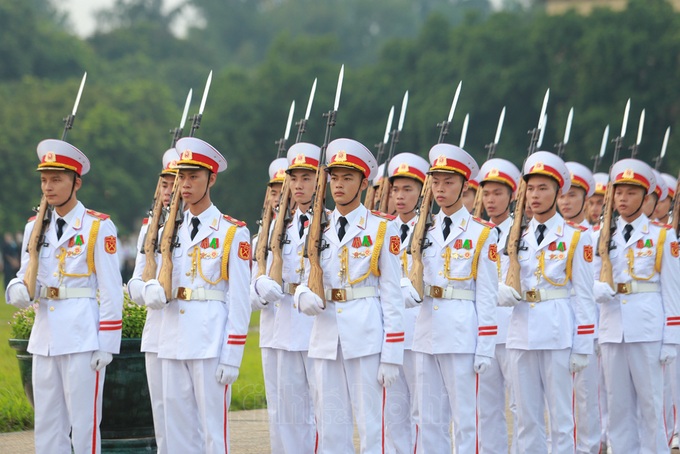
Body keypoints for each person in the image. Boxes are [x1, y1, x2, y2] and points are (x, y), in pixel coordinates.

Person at [6, 139, 123, 454]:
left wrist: (107, 344)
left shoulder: (98, 227)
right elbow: (25, 276)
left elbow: (111, 289)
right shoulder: (35, 227)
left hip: (83, 337)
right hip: (45, 337)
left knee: (84, 426)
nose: (48, 187)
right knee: (47, 424)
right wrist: (17, 291)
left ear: (77, 182)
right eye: (44, 180)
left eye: (57, 179)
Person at [294, 138, 404, 454]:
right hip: (326, 337)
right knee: (330, 427)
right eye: (335, 178)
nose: (339, 185)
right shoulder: (318, 228)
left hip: (366, 336)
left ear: (363, 183)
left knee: (373, 428)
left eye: (348, 178)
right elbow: (303, 278)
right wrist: (302, 296)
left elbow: (392, 293)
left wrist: (392, 353)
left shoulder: (382, 229)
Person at [142, 137, 252, 453]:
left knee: (212, 435)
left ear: (211, 179)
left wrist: (233, 355)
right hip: (172, 340)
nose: (185, 184)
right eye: (181, 176)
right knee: (177, 434)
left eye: (194, 176)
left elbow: (239, 299)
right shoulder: (166, 230)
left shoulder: (231, 232)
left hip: (210, 341)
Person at [497, 151, 596, 454]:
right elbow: (502, 279)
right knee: (526, 419)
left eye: (543, 188)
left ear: (558, 192)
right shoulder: (515, 236)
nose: (535, 195)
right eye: (531, 189)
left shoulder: (575, 237)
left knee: (561, 418)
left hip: (556, 332)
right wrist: (500, 292)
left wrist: (582, 345)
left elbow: (585, 296)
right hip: (520, 332)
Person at [412, 144, 499, 453]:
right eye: (436, 182)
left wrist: (486, 347)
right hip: (425, 332)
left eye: (448, 182)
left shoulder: (481, 233)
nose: (441, 189)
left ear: (464, 185)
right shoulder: (423, 229)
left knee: (466, 421)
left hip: (463, 334)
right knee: (429, 419)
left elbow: (488, 293)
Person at [592, 158, 680, 453]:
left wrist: (672, 339)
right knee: (618, 409)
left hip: (648, 329)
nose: (623, 199)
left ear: (646, 197)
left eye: (631, 193)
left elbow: (672, 292)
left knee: (652, 406)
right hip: (612, 329)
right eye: (619, 193)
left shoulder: (662, 236)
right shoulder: (602, 237)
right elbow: (589, 281)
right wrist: (598, 290)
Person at [251, 144, 320, 453]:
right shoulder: (273, 234)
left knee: (323, 411)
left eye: (307, 178)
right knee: (286, 415)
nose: (297, 186)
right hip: (283, 329)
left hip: (319, 328)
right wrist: (261, 291)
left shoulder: (331, 226)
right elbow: (249, 291)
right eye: (295, 179)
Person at [126, 147, 180, 454]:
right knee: (161, 416)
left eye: (175, 182)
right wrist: (144, 290)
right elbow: (135, 279)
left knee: (188, 420)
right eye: (164, 184)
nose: (169, 190)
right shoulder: (149, 230)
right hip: (156, 334)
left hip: (189, 335)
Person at [382, 152, 430, 453]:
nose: (400, 196)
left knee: (425, 411)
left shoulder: (433, 230)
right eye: (396, 189)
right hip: (391, 333)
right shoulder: (380, 229)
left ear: (422, 192)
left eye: (407, 189)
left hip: (422, 331)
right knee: (393, 411)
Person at [476, 158, 521, 454]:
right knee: (486, 408)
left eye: (498, 194)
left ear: (512, 195)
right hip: (485, 332)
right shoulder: (477, 233)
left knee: (521, 408)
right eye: (487, 194)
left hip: (517, 330)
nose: (491, 201)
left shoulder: (524, 233)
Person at [557, 161, 602, 454]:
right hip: (559, 322)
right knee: (559, 399)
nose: (566, 201)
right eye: (562, 195)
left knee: (586, 394)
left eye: (573, 195)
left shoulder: (595, 235)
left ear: (585, 198)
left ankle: (589, 447)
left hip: (589, 321)